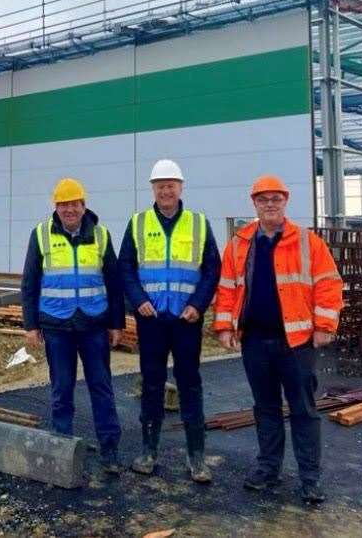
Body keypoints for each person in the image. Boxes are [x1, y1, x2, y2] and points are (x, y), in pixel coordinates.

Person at [213, 175, 343, 505]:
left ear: (285, 202)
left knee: (303, 410)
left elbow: (329, 284)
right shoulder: (240, 243)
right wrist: (225, 327)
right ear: (254, 203)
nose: (270, 204)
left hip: (295, 342)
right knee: (266, 408)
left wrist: (325, 324)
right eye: (263, 199)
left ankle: (310, 479)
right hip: (256, 339)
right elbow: (227, 288)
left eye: (276, 198)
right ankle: (268, 469)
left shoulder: (306, 241)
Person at [119, 159, 221, 483]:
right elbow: (125, 268)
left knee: (190, 385)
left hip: (186, 320)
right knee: (151, 385)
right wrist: (138, 301)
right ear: (153, 189)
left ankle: (197, 459)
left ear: (180, 187)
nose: (166, 190)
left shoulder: (199, 224)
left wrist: (198, 304)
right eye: (160, 185)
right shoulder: (137, 223)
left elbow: (212, 270)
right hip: (151, 322)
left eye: (171, 184)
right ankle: (149, 452)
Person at [22, 178, 125, 474]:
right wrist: (31, 324)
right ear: (56, 207)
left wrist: (116, 323)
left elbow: (114, 283)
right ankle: (62, 448)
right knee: (61, 388)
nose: (70, 209)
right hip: (57, 325)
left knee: (102, 387)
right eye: (64, 204)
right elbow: (30, 282)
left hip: (94, 324)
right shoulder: (41, 235)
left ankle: (110, 450)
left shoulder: (101, 236)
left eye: (74, 204)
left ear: (84, 205)